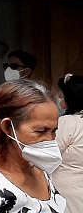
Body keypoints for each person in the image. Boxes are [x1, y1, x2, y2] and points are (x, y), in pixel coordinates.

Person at [0, 80, 66, 212]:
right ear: (8, 128)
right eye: (40, 131)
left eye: (54, 131)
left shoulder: (40, 169)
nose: (50, 140)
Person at [54, 74, 83, 212]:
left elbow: (49, 154)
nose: (59, 100)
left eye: (61, 96)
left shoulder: (68, 122)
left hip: (67, 194)